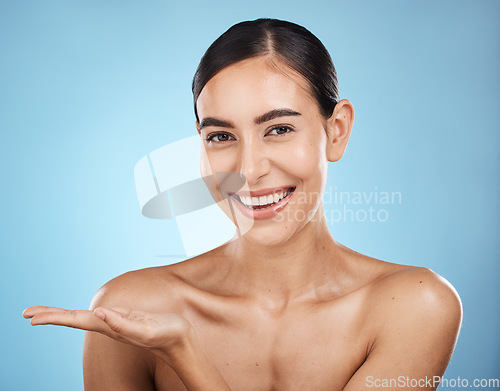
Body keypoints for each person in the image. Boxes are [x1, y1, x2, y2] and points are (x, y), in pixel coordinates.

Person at [23, 18, 462, 390]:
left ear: (337, 130)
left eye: (278, 129)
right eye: (221, 136)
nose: (248, 170)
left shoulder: (413, 307)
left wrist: (184, 353)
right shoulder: (129, 309)